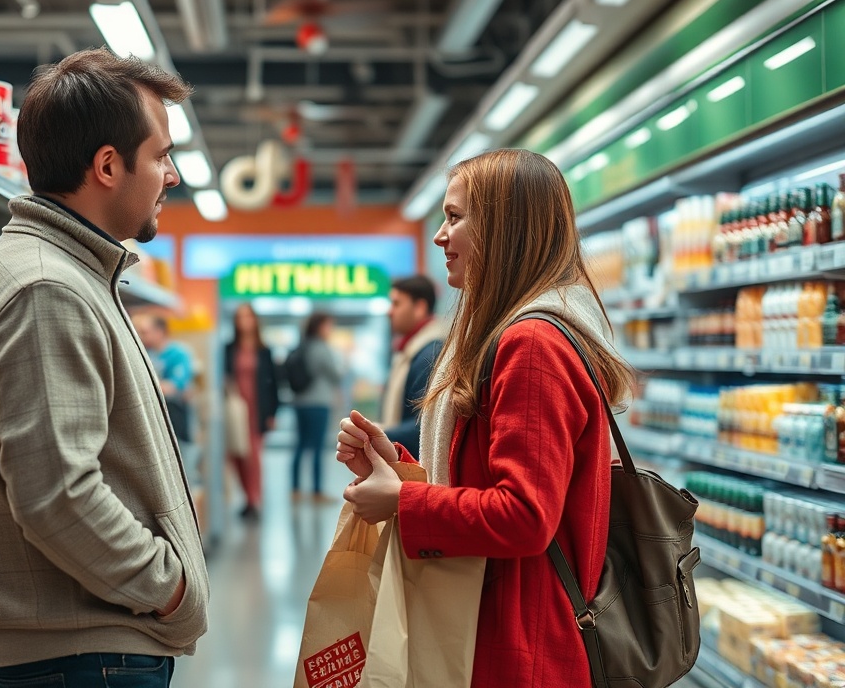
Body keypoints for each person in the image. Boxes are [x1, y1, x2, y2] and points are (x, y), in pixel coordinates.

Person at [0, 48, 208, 687]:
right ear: (108, 166)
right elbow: (57, 494)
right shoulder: (47, 289)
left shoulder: (68, 275)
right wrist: (168, 587)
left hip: (91, 651)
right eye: (160, 155)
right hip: (88, 659)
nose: (170, 175)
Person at [335, 149, 634, 687]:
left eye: (454, 218)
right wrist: (395, 466)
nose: (439, 237)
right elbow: (483, 477)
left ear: (503, 227)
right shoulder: (510, 336)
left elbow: (524, 514)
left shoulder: (533, 344)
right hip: (492, 624)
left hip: (520, 644)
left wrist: (402, 501)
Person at [223, 302, 280, 520]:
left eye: (247, 316)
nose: (243, 321)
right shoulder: (229, 349)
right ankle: (246, 497)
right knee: (237, 454)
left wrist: (272, 413)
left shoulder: (264, 351)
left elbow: (273, 384)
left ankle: (254, 500)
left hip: (258, 409)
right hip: (236, 410)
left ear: (255, 320)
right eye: (240, 317)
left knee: (253, 457)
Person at [379, 275, 446, 456]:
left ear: (420, 308)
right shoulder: (413, 350)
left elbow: (424, 425)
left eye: (396, 304)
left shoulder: (429, 354)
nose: (390, 311)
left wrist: (378, 434)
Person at [290, 312, 346, 502]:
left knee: (300, 445)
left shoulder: (303, 347)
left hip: (300, 403)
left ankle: (295, 489)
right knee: (317, 447)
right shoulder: (321, 348)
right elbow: (336, 374)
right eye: (328, 325)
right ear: (320, 326)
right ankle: (317, 491)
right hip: (319, 403)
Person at [133, 311, 197, 442]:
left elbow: (172, 387)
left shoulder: (179, 353)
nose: (140, 336)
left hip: (176, 418)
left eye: (144, 332)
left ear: (159, 332)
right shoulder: (146, 353)